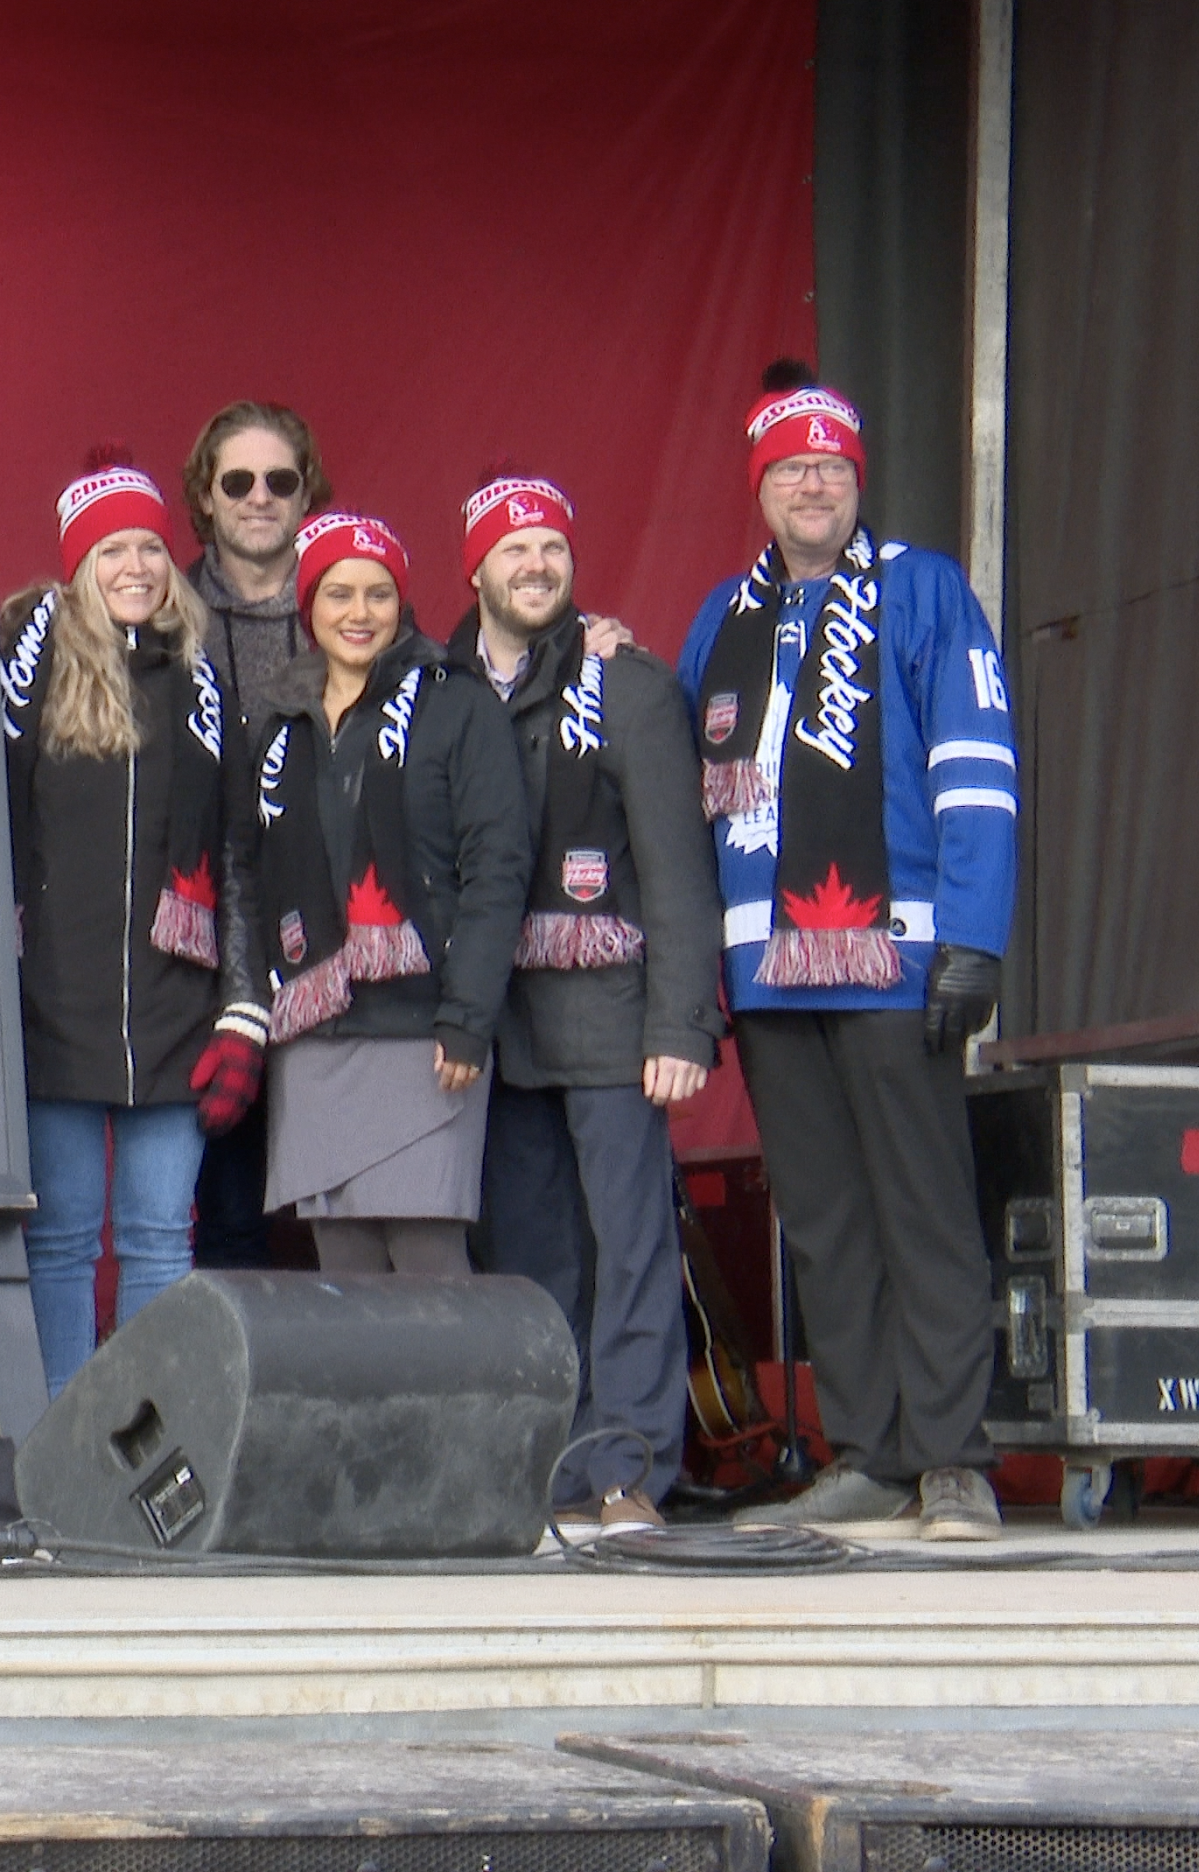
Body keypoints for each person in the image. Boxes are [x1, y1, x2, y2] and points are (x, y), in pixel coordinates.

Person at [682, 368, 1015, 1543]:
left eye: (828, 466)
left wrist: (974, 936)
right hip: (765, 973)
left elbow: (974, 765)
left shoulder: (922, 593)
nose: (810, 483)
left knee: (923, 1210)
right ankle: (870, 1451)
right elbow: (680, 808)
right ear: (761, 489)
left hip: (894, 954)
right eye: (788, 468)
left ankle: (952, 1460)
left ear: (853, 480)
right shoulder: (721, 622)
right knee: (822, 1221)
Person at [444, 475, 723, 1534]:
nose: (535, 566)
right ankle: (551, 1469)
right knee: (530, 1261)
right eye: (513, 549)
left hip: (612, 1016)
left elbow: (677, 866)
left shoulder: (629, 683)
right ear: (474, 567)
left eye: (552, 548)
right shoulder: (439, 688)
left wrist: (681, 1024)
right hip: (500, 1029)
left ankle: (629, 1472)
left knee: (630, 1252)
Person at [0, 458, 261, 1394]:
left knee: (159, 1242)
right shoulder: (22, 676)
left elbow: (238, 853)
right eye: (112, 548)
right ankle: (59, 1453)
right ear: (79, 565)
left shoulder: (201, 682)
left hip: (174, 1008)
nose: (138, 564)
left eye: (151, 544)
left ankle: (145, 1458)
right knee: (60, 1242)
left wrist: (243, 1007)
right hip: (51, 1011)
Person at [237, 513, 529, 1273]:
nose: (359, 613)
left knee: (430, 1262)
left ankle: (459, 1402)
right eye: (338, 594)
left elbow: (496, 868)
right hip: (316, 1034)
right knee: (346, 1273)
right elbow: (252, 870)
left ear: (403, 604)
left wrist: (467, 1017)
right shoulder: (279, 720)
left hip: (425, 1033)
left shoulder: (456, 703)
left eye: (378, 594)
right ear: (310, 608)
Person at [176, 404, 327, 1268]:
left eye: (281, 480)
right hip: (206, 959)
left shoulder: (352, 594)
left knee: (350, 1219)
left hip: (335, 944)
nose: (260, 497)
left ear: (308, 494)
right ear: (206, 495)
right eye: (238, 481)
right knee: (228, 1216)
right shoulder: (167, 611)